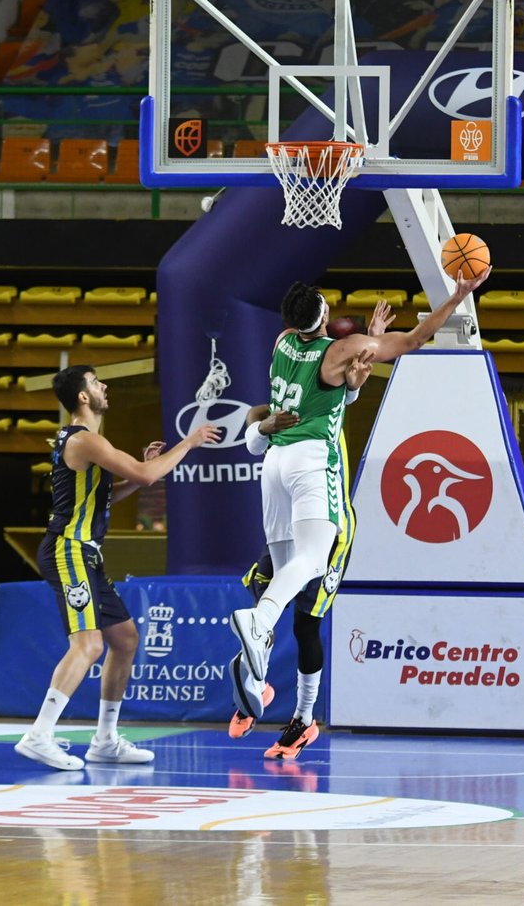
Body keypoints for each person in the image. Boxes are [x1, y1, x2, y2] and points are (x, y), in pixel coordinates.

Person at [230, 270, 491, 718]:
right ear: (324, 315)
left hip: (273, 464)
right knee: (312, 561)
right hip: (311, 461)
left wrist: (357, 373)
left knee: (285, 567)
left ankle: (255, 679)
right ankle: (259, 622)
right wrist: (458, 295)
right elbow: (411, 342)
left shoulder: (282, 343)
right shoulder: (341, 350)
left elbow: (327, 391)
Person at [13, 366, 220, 771]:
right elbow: (146, 475)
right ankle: (39, 734)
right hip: (68, 549)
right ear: (83, 398)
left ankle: (105, 739)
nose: (103, 385)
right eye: (95, 382)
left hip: (85, 552)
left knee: (124, 639)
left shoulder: (87, 441)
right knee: (88, 646)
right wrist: (190, 442)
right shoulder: (84, 439)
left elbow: (119, 490)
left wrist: (143, 473)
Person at [228, 312, 384, 758]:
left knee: (305, 622)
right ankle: (256, 686)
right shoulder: (281, 402)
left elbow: (348, 391)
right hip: (296, 513)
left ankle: (304, 719)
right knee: (263, 592)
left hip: (330, 521)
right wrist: (258, 426)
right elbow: (256, 431)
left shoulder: (328, 397)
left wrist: (368, 350)